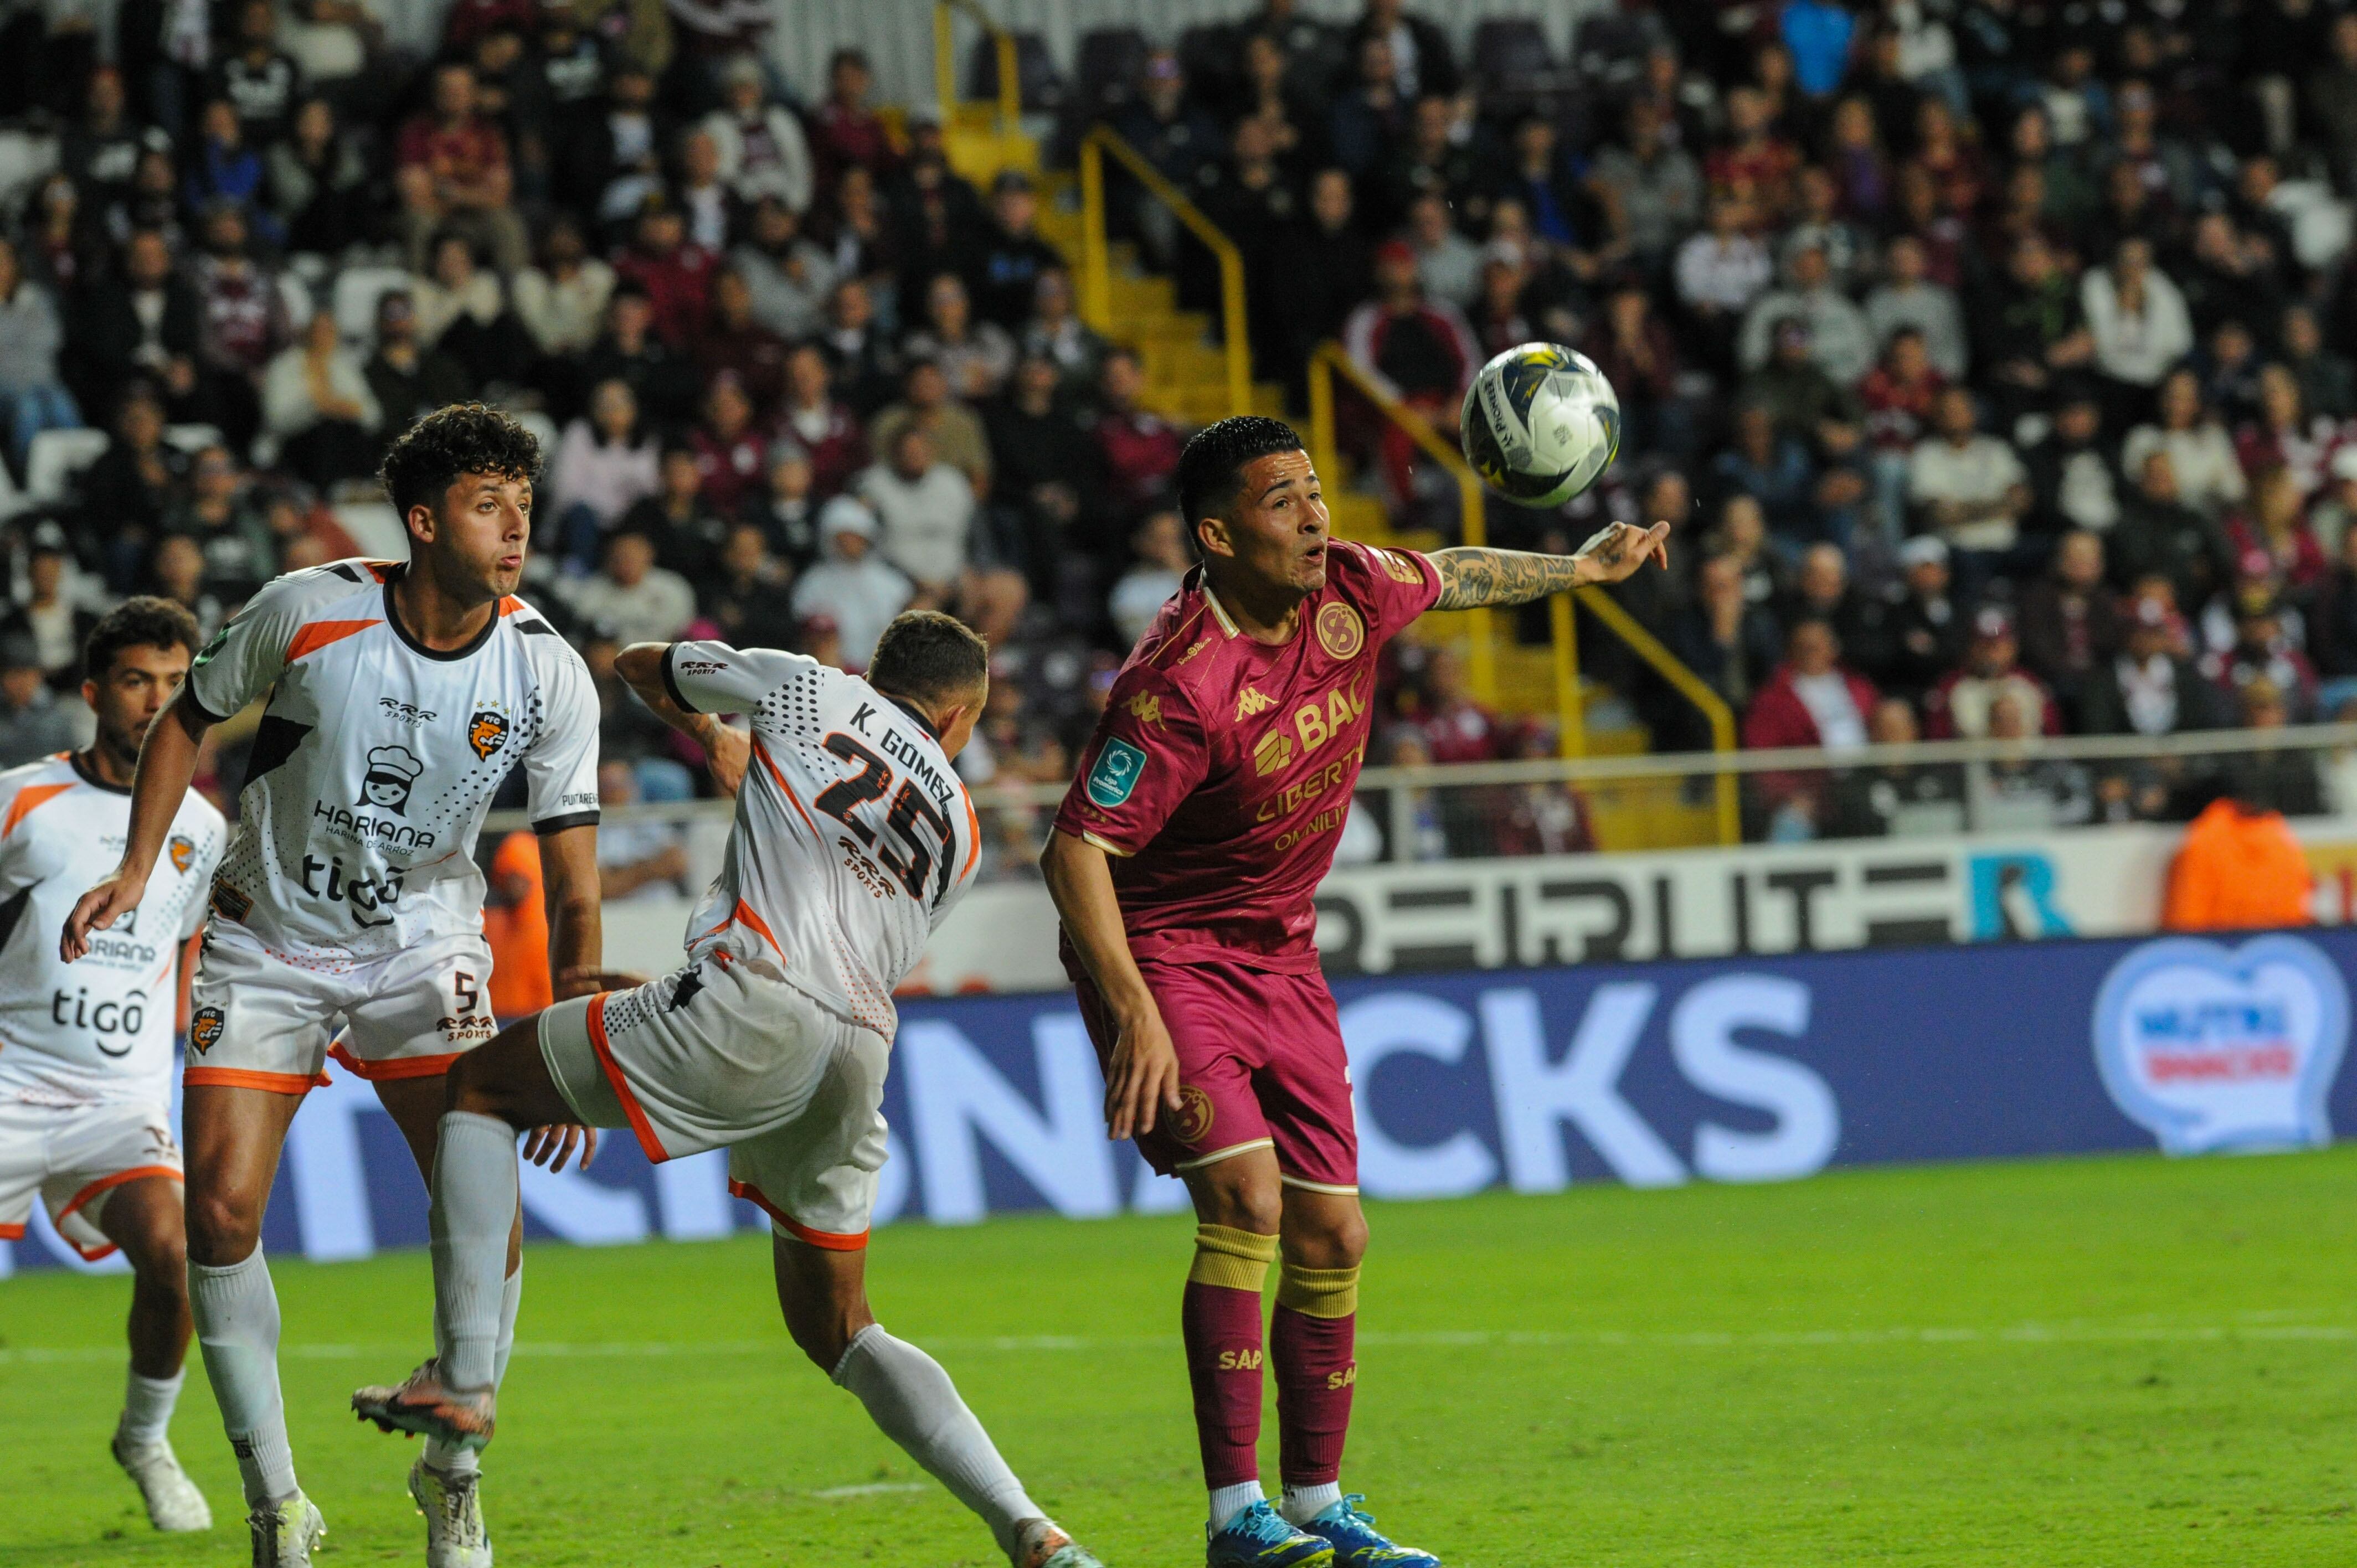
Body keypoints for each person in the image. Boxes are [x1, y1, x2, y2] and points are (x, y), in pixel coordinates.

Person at [350, 611, 1113, 1568]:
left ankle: (464, 1379)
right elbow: (835, 864)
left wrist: (715, 725)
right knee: (840, 1325)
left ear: (880, 673)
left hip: (757, 1001)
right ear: (962, 716)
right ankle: (1028, 1526)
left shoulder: (810, 686)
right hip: (857, 1053)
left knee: (479, 1087)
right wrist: (753, 770)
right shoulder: (958, 823)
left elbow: (637, 662)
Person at [1039, 417, 1670, 1568]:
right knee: (1246, 1207)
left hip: (1283, 953)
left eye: (1316, 490)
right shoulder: (1174, 683)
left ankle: (1319, 1503)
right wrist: (1129, 1007)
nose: (1315, 515)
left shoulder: (1352, 588)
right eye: (1282, 501)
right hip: (1172, 954)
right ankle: (1237, 1520)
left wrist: (1582, 568)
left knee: (1333, 1229)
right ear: (1217, 535)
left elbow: (1458, 576)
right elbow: (1075, 849)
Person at [60, 405, 605, 1568]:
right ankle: (277, 1508)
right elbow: (183, 726)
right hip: (268, 940)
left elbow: (569, 868)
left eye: (522, 501)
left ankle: (452, 1477)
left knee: (485, 1206)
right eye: (484, 503)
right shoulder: (309, 612)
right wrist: (134, 868)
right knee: (217, 1213)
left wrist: (563, 1030)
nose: (514, 526)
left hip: (422, 946)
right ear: (422, 521)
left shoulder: (548, 670)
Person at [6, 601, 223, 1533]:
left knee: (176, 1257)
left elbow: (190, 957)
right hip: (8, 1080)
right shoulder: (22, 799)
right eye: (139, 681)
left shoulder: (206, 829)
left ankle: (146, 1438)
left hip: (120, 1095)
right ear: (95, 692)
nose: (157, 702)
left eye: (178, 685)